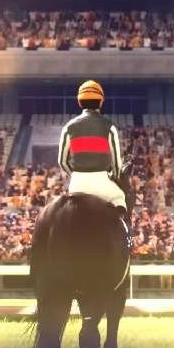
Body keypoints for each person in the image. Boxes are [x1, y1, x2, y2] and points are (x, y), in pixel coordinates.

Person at [57, 80, 131, 240]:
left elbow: (62, 161)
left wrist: (75, 175)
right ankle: (125, 241)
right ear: (101, 102)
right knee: (120, 198)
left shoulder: (68, 127)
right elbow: (117, 164)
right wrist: (114, 176)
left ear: (79, 102)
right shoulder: (109, 127)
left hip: (77, 184)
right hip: (102, 182)